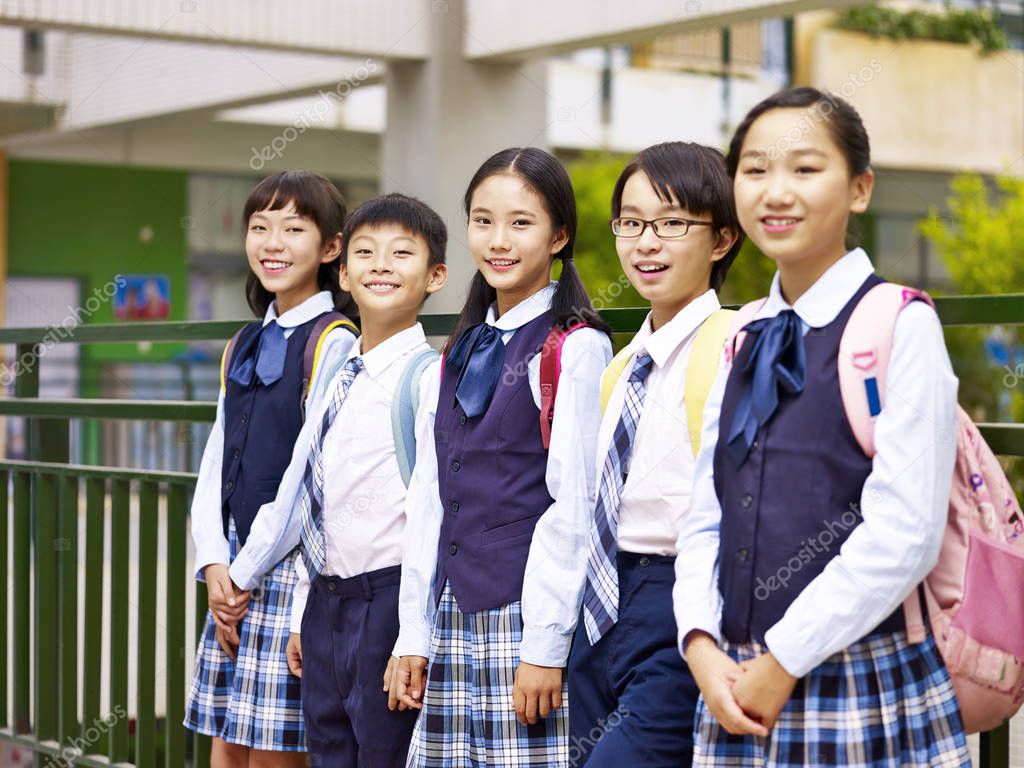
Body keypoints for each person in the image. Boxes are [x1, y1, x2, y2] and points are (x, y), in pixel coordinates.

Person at [674, 86, 970, 767]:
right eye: (754, 170)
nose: (776, 192)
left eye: (805, 170)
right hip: (732, 680)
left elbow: (905, 533)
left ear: (859, 189)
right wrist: (699, 644)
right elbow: (704, 513)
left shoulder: (899, 323)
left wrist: (784, 658)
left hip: (854, 678)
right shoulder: (742, 332)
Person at [390, 147, 613, 767]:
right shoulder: (456, 349)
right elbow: (430, 497)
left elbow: (575, 505)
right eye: (483, 220)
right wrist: (413, 633)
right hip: (450, 619)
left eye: (521, 222)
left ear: (559, 235)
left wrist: (544, 647)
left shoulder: (576, 346)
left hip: (525, 617)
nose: (498, 240)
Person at [227, 193, 449, 767]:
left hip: (385, 600)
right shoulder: (338, 367)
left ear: (436, 276)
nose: (381, 264)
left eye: (402, 253)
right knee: (329, 751)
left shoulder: (427, 378)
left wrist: (413, 636)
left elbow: (430, 514)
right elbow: (309, 494)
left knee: (383, 751)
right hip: (325, 600)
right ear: (343, 271)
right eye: (366, 252)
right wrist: (304, 604)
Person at [568, 141, 742, 767]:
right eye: (633, 223)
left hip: (681, 600)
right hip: (600, 603)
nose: (646, 242)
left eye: (672, 224)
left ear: (721, 240)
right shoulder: (621, 366)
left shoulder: (734, 345)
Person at [186, 170, 359, 767]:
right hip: (234, 564)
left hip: (286, 568)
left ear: (331, 247)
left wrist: (243, 571)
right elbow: (215, 457)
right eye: (260, 227)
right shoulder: (243, 342)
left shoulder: (333, 339)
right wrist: (212, 560)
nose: (273, 243)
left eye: (293, 227)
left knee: (273, 754)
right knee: (226, 746)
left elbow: (308, 478)